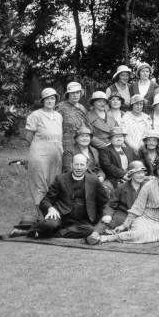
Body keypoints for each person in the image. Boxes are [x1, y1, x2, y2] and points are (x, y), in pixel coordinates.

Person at [97, 157, 159, 244]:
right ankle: (113, 237)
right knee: (141, 233)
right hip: (145, 219)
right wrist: (124, 226)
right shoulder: (149, 185)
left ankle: (132, 235)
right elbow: (137, 207)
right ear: (156, 171)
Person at [24, 154, 109, 239]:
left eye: (82, 165)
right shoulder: (60, 179)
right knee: (50, 224)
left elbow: (105, 201)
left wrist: (106, 215)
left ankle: (53, 234)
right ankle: (31, 230)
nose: (79, 168)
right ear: (71, 165)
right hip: (61, 216)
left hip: (83, 221)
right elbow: (45, 201)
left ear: (86, 167)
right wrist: (51, 208)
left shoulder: (94, 181)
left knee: (89, 230)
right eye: (76, 164)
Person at [86, 161, 149, 242]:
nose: (141, 175)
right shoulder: (122, 187)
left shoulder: (148, 187)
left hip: (140, 216)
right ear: (131, 174)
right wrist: (107, 215)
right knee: (105, 222)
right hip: (123, 214)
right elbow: (111, 205)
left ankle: (109, 237)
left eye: (143, 173)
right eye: (138, 173)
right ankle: (94, 236)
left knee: (137, 229)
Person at [26, 88, 64, 221]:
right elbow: (29, 137)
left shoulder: (58, 116)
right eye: (47, 98)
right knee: (40, 183)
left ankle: (51, 215)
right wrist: (41, 146)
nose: (50, 101)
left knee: (54, 183)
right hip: (40, 151)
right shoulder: (35, 115)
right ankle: (40, 217)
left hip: (57, 152)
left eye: (52, 98)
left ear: (56, 100)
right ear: (43, 100)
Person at [55, 82, 106, 152]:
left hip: (83, 142)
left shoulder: (82, 108)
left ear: (80, 94)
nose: (75, 95)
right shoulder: (61, 107)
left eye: (77, 92)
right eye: (72, 93)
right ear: (68, 94)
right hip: (67, 144)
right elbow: (55, 128)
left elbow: (87, 127)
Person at [62, 127, 111, 195]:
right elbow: (68, 170)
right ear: (76, 139)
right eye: (82, 136)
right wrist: (91, 180)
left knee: (108, 189)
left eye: (87, 136)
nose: (85, 138)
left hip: (96, 178)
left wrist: (101, 176)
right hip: (79, 180)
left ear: (90, 139)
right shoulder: (69, 151)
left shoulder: (94, 150)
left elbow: (99, 167)